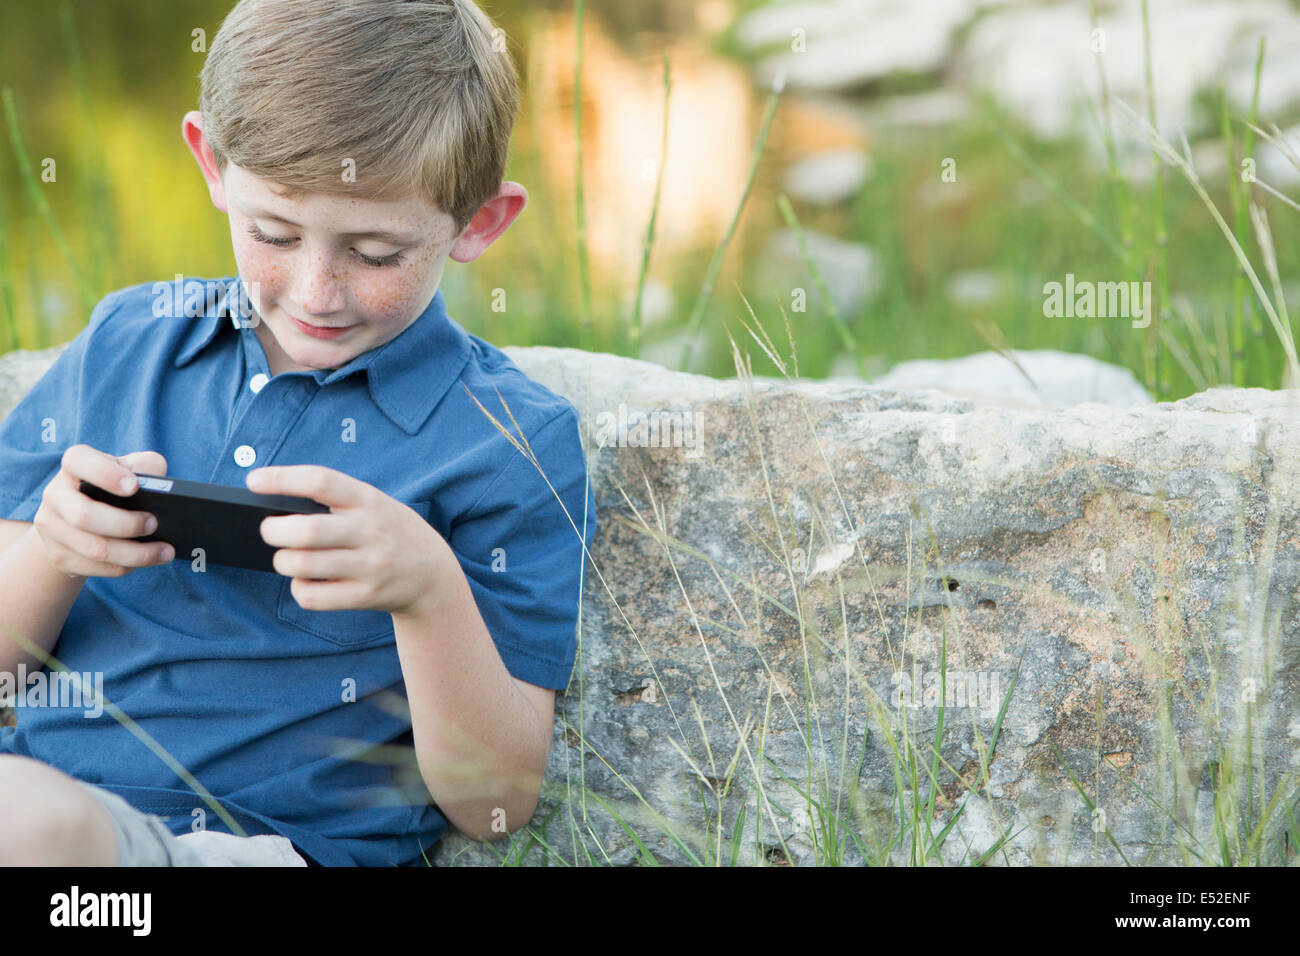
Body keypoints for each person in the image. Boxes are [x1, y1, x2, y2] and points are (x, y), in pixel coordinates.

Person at [0, 0, 596, 866]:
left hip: (251, 850)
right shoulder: (127, 343)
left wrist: (426, 590)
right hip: (43, 812)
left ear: (478, 223)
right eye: (273, 234)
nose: (317, 291)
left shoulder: (507, 440)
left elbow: (496, 808)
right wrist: (54, 548)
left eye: (377, 254)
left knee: (33, 829)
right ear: (209, 162)